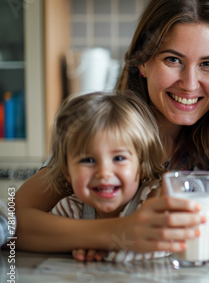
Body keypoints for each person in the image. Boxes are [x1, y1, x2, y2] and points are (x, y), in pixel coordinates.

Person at [14, 0, 209, 254]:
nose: (190, 83)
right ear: (142, 62)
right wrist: (118, 233)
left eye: (208, 64)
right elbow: (13, 222)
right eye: (173, 60)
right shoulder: (102, 130)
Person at [47, 92, 168, 262]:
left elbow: (164, 244)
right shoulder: (70, 209)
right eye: (88, 160)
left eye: (119, 158)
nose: (104, 172)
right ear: (67, 172)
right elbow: (41, 241)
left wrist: (103, 245)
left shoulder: (150, 199)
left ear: (141, 164)